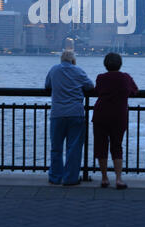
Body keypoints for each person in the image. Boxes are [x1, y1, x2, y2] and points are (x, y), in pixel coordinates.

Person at [45, 50, 94, 185]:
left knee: (56, 148)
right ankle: (70, 178)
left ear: (61, 59)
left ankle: (55, 177)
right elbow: (90, 86)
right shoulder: (79, 71)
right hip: (75, 113)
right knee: (73, 148)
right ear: (73, 60)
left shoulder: (54, 70)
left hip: (58, 114)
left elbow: (47, 86)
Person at [92, 53, 138, 189]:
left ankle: (104, 178)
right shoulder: (126, 77)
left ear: (105, 64)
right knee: (117, 146)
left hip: (101, 114)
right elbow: (135, 91)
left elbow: (97, 91)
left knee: (101, 146)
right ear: (120, 64)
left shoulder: (101, 78)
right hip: (119, 115)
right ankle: (118, 179)